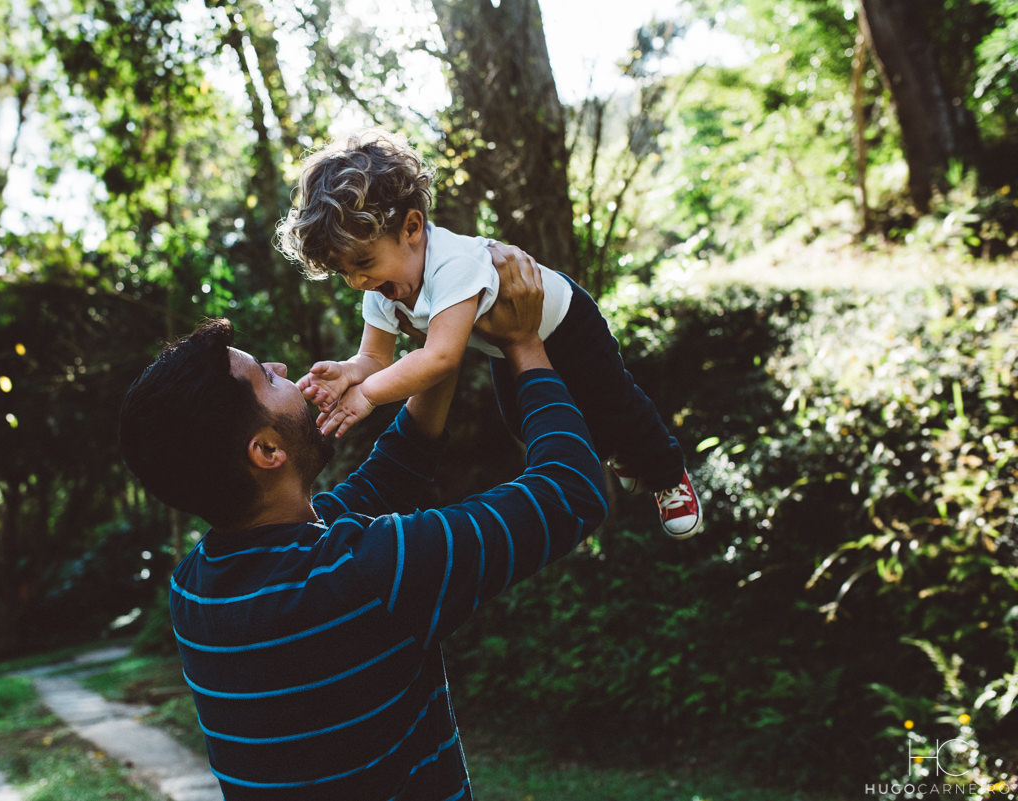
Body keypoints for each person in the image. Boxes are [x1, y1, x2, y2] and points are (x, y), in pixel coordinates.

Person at [117, 248, 608, 800]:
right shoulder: (368, 573)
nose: (283, 369)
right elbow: (573, 492)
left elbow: (396, 470)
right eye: (265, 377)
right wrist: (524, 344)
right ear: (267, 449)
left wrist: (435, 344)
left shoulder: (195, 591)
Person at [275, 129, 701, 539]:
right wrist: (351, 372)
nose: (356, 281)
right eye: (345, 271)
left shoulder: (453, 265)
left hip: (567, 324)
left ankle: (667, 474)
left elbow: (441, 358)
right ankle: (619, 449)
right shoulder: (383, 287)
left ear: (411, 227)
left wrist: (367, 395)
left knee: (614, 401)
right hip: (503, 345)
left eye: (363, 262)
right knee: (521, 421)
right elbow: (375, 359)